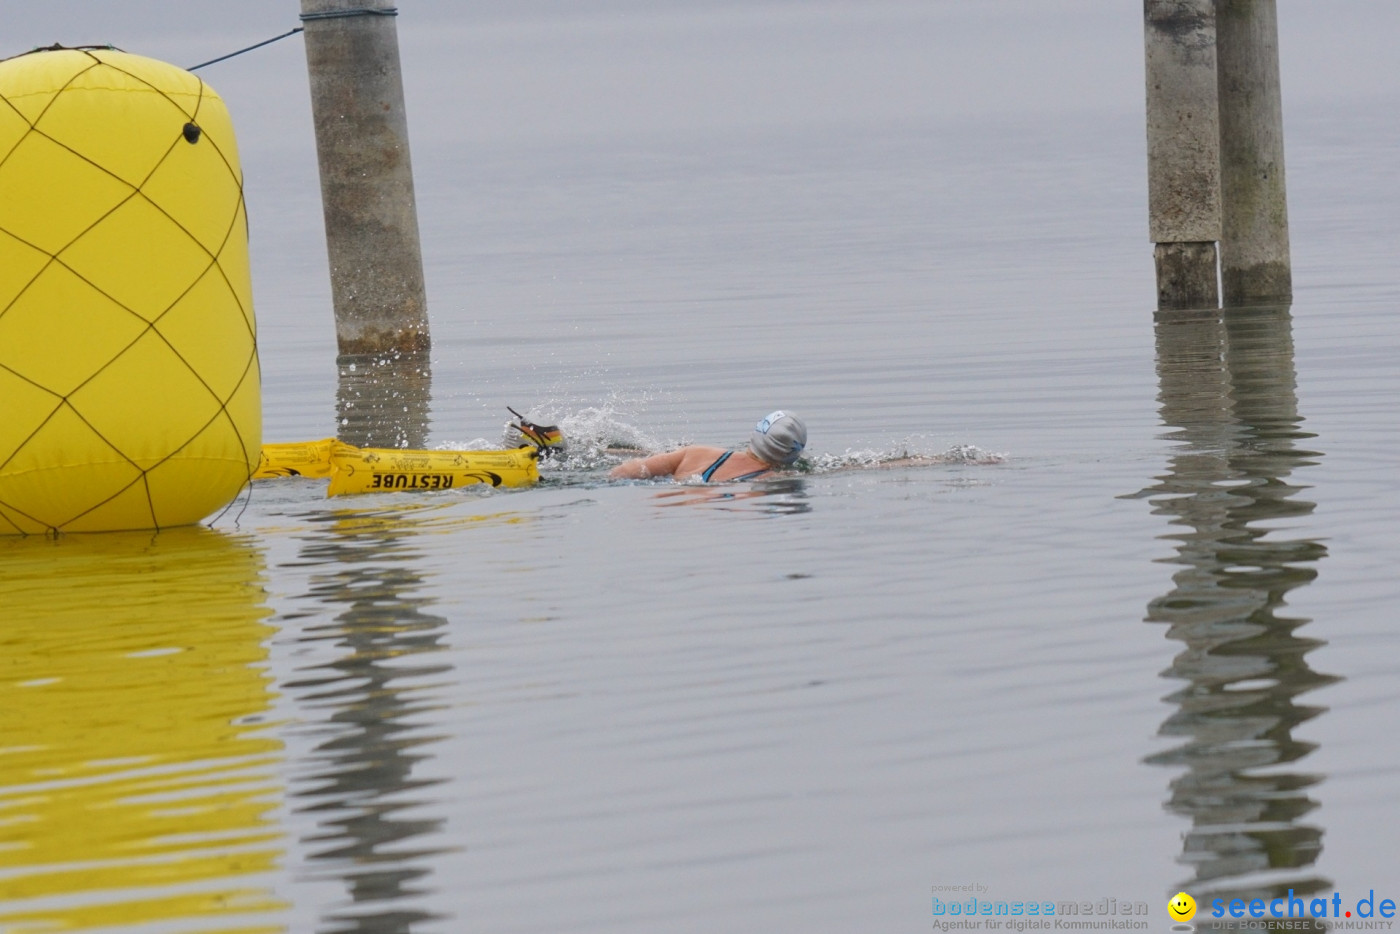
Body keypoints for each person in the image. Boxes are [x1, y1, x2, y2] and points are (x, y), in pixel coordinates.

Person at [609, 411, 807, 482]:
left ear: (755, 434)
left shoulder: (695, 453)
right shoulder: (772, 480)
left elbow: (622, 473)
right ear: (793, 455)